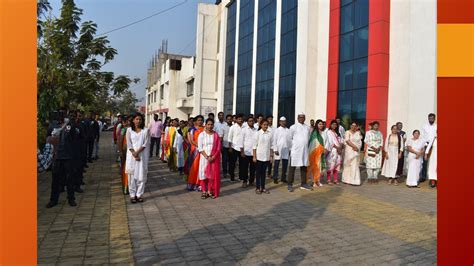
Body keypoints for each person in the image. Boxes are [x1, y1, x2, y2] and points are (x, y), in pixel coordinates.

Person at [46, 112, 79, 208]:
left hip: (68, 157)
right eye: (58, 117)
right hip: (57, 157)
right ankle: (53, 200)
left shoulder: (69, 126)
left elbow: (74, 138)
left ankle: (71, 199)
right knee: (55, 180)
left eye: (62, 117)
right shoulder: (52, 126)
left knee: (69, 179)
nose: (60, 119)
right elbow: (48, 138)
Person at [125, 113, 150, 203]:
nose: (138, 121)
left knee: (142, 176)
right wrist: (134, 153)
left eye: (140, 119)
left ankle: (139, 194)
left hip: (142, 156)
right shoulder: (129, 130)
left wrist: (137, 153)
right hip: (131, 156)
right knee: (131, 176)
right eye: (136, 119)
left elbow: (145, 144)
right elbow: (129, 143)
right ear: (133, 120)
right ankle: (132, 195)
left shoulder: (145, 131)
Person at [288, 113, 312, 192]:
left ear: (305, 118)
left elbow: (308, 139)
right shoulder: (293, 127)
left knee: (304, 167)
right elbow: (289, 139)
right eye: (300, 117)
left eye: (303, 117)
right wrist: (291, 149)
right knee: (292, 167)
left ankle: (304, 184)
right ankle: (290, 184)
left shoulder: (307, 128)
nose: (301, 119)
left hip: (304, 151)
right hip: (295, 151)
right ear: (297, 118)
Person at [198, 118, 222, 199]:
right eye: (208, 124)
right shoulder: (202, 135)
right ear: (205, 125)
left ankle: (209, 191)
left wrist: (213, 157)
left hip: (214, 158)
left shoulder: (216, 135)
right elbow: (200, 148)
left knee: (211, 176)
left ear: (213, 125)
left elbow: (218, 147)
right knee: (203, 174)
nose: (210, 126)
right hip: (204, 158)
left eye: (211, 124)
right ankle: (204, 191)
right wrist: (207, 157)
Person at [253, 120, 273, 194]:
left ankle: (263, 187)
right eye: (264, 124)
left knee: (264, 173)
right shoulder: (257, 134)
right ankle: (258, 188)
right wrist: (254, 156)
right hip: (259, 156)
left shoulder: (270, 134)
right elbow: (254, 146)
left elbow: (271, 146)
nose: (266, 126)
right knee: (258, 173)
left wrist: (271, 156)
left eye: (267, 125)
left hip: (266, 157)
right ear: (261, 125)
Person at [186, 115, 205, 190]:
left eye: (201, 120)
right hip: (195, 150)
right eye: (198, 120)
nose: (200, 121)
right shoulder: (192, 129)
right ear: (195, 121)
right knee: (194, 167)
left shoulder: (205, 129)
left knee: (202, 167)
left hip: (203, 150)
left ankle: (201, 184)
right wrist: (199, 146)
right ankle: (193, 184)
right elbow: (191, 140)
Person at [308, 119, 328, 187]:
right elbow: (314, 143)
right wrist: (321, 149)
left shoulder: (324, 133)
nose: (321, 125)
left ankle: (318, 181)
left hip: (321, 153)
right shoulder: (314, 133)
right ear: (317, 125)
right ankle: (313, 181)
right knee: (315, 166)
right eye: (319, 124)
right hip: (315, 153)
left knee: (319, 167)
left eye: (322, 124)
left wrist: (325, 149)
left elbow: (327, 142)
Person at [272, 117, 291, 184]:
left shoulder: (288, 130)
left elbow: (290, 141)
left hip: (286, 150)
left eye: (284, 121)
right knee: (276, 165)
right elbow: (274, 140)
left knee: (285, 165)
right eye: (282, 121)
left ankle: (283, 178)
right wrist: (275, 149)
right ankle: (275, 178)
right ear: (279, 122)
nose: (283, 122)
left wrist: (290, 149)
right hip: (278, 150)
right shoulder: (277, 130)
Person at [239, 116, 258, 187]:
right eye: (250, 121)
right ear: (247, 122)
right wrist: (242, 151)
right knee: (245, 168)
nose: (251, 122)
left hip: (253, 153)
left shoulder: (256, 130)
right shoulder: (244, 130)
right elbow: (241, 141)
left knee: (253, 168)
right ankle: (244, 181)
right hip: (246, 152)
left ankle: (251, 181)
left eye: (252, 121)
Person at [420, 113, 437, 182]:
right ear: (428, 118)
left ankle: (432, 178)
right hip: (426, 144)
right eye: (430, 118)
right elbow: (423, 136)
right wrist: (423, 144)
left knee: (434, 162)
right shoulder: (424, 126)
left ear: (434, 119)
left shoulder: (436, 126)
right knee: (425, 161)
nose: (431, 119)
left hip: (435, 144)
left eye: (432, 118)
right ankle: (423, 176)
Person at [326, 120, 343, 185]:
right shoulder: (329, 132)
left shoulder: (338, 133)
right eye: (333, 124)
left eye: (335, 124)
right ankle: (328, 179)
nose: (334, 126)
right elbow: (330, 142)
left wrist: (340, 147)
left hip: (338, 151)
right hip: (332, 150)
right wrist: (337, 148)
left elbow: (341, 141)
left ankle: (335, 179)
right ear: (330, 125)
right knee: (331, 164)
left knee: (337, 165)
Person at [228, 114, 244, 182]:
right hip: (234, 147)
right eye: (239, 119)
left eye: (241, 119)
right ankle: (232, 177)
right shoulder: (233, 127)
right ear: (236, 120)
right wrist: (230, 147)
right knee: (233, 163)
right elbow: (229, 138)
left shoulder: (245, 127)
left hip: (242, 148)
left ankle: (241, 177)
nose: (240, 120)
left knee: (242, 164)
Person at [118, 115, 131, 195]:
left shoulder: (133, 130)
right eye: (129, 121)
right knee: (125, 169)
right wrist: (120, 151)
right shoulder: (124, 130)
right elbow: (120, 141)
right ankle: (126, 187)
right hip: (125, 151)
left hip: (131, 152)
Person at [265, 115, 274, 179]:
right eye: (269, 119)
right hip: (264, 147)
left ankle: (269, 173)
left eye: (271, 119)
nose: (270, 120)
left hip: (271, 147)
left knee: (270, 161)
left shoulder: (274, 128)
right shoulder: (265, 128)